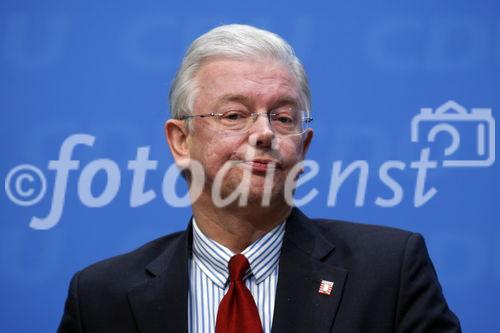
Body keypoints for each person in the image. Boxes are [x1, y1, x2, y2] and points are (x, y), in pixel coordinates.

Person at [58, 24, 461, 333]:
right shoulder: (101, 297)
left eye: (283, 117)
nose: (265, 133)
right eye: (234, 115)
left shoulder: (389, 272)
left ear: (303, 146)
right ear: (181, 141)